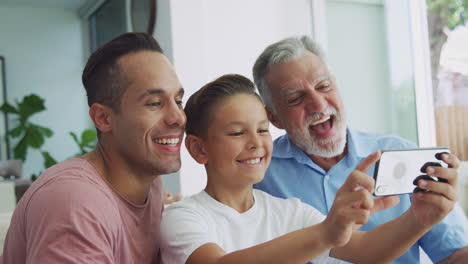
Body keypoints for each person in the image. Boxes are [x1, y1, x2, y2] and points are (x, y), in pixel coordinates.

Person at [160, 74, 458, 264]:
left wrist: (419, 219)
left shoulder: (289, 211)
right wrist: (327, 232)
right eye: (237, 133)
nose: (256, 143)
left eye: (262, 130)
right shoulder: (182, 217)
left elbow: (366, 249)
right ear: (199, 149)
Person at [252, 35, 468, 263]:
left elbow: (456, 254)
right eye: (296, 98)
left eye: (324, 86)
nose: (318, 103)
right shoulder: (259, 175)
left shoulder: (399, 153)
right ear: (274, 118)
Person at [1, 32, 186, 263]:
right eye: (155, 103)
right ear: (103, 118)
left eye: (178, 101)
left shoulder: (152, 186)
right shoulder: (75, 201)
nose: (178, 118)